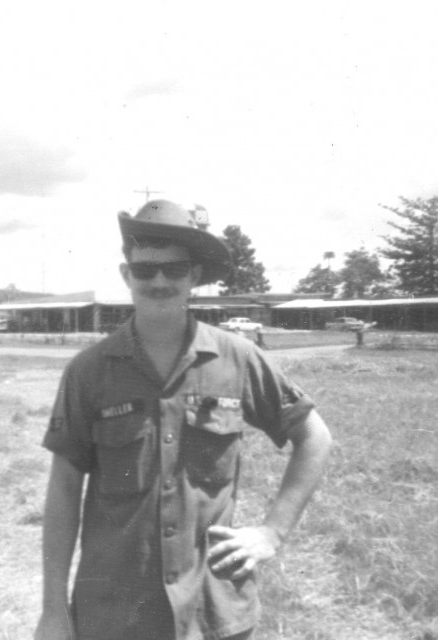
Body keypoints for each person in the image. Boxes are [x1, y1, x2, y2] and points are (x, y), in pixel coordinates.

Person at [35, 200, 332, 640]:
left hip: (213, 610)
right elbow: (63, 489)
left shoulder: (238, 358)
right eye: (145, 270)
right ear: (126, 275)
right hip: (116, 612)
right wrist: (53, 609)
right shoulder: (89, 371)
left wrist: (272, 532)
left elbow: (315, 438)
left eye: (174, 270)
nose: (159, 281)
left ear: (194, 277)